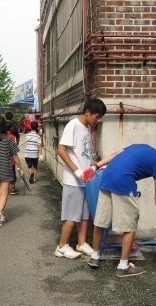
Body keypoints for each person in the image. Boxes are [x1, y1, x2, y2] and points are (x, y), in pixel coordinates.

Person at [86, 142, 156, 277]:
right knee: (130, 226)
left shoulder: (141, 146)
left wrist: (95, 166)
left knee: (101, 221)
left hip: (107, 177)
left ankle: (95, 256)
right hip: (124, 182)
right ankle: (123, 266)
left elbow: (115, 154)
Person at [54, 98, 106, 259]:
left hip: (85, 180)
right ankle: (61, 247)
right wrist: (77, 171)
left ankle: (81, 243)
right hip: (73, 180)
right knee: (71, 214)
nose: (98, 120)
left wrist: (95, 164)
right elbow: (61, 150)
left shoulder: (87, 128)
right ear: (87, 112)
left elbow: (82, 154)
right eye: (97, 117)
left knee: (84, 214)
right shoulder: (73, 126)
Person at [5, 111, 20, 195]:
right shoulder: (14, 128)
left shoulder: (1, 127)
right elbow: (17, 137)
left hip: (2, 155)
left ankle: (3, 188)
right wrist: (16, 146)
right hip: (11, 156)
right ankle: (13, 188)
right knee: (12, 171)